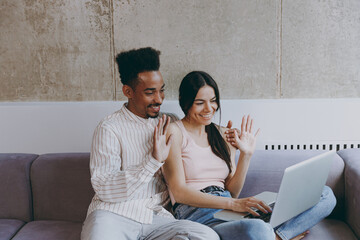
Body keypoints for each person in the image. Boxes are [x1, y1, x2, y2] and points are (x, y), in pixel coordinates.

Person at [162, 71, 337, 240]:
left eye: (213, 101)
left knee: (325, 195)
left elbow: (232, 192)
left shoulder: (223, 134)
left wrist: (246, 154)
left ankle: (276, 236)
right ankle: (275, 234)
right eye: (200, 102)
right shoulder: (175, 131)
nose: (209, 108)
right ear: (185, 103)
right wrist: (234, 204)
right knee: (257, 228)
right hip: (197, 213)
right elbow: (179, 192)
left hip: (230, 208)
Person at [81, 48, 220, 240]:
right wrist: (153, 161)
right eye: (150, 92)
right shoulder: (109, 128)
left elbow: (197, 127)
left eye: (161, 90)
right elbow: (106, 188)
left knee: (207, 236)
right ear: (128, 91)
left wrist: (229, 138)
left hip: (158, 218)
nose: (159, 99)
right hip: (114, 215)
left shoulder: (171, 122)